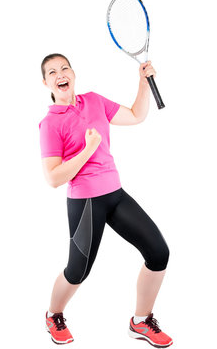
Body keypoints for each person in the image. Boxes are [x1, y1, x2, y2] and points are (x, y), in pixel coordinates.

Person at [39, 53, 173, 348]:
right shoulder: (50, 124)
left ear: (73, 74)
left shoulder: (94, 101)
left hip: (115, 193)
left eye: (65, 68)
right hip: (85, 201)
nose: (60, 74)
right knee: (78, 272)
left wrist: (142, 82)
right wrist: (87, 151)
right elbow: (52, 178)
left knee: (158, 252)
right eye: (53, 72)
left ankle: (140, 321)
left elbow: (136, 115)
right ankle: (54, 314)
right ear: (46, 82)